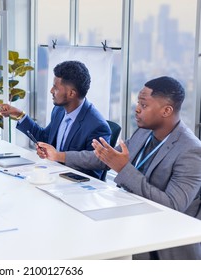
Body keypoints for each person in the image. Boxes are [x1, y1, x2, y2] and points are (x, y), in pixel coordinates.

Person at [37, 76, 201, 260]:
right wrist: (59, 156)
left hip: (160, 244)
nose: (137, 109)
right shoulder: (145, 131)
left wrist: (124, 168)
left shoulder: (191, 150)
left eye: (144, 105)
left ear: (166, 110)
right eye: (138, 103)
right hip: (129, 218)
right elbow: (104, 158)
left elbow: (172, 206)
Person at [0, 60, 111, 179]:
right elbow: (45, 138)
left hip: (76, 187)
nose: (51, 91)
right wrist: (20, 115)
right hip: (53, 176)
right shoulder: (59, 110)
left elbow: (98, 162)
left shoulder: (97, 125)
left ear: (71, 93)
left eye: (55, 88)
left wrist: (58, 156)